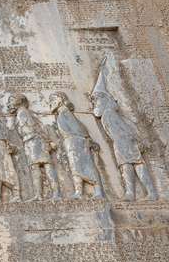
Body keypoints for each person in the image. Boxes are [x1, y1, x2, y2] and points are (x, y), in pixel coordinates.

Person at [91, 70, 156, 201]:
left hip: (126, 141)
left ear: (104, 100)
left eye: (97, 100)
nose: (95, 103)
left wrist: (138, 140)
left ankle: (150, 193)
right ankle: (131, 194)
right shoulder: (107, 114)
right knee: (126, 166)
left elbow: (126, 128)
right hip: (119, 142)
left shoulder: (110, 113)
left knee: (137, 164)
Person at [49, 92, 103, 199]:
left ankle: (99, 192)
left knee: (87, 165)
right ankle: (78, 192)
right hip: (70, 142)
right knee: (74, 167)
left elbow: (80, 127)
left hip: (77, 141)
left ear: (61, 100)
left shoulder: (66, 113)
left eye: (53, 100)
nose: (50, 103)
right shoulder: (62, 114)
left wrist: (88, 140)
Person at [7, 93, 61, 201]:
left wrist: (47, 140)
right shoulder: (21, 114)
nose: (8, 105)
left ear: (19, 102)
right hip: (30, 142)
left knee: (45, 165)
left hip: (35, 141)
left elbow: (36, 126)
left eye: (11, 100)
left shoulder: (23, 112)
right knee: (36, 167)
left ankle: (55, 194)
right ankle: (40, 195)